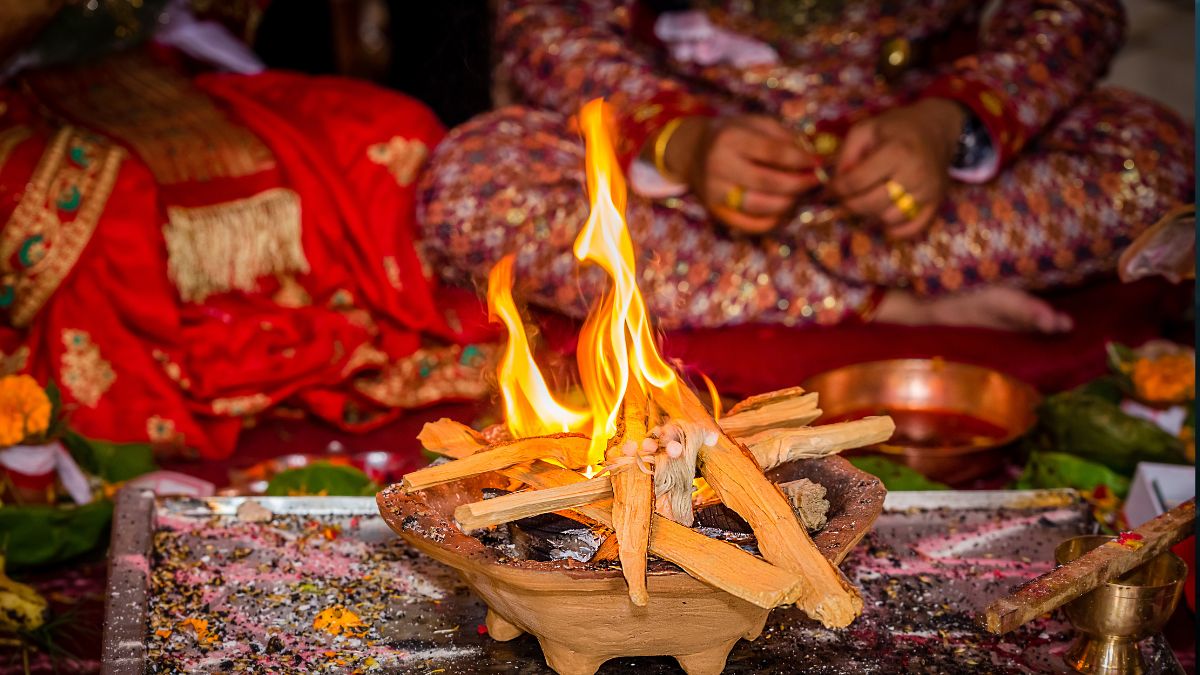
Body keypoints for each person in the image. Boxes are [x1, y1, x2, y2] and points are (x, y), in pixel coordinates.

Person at [418, 0, 1194, 333]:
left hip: (912, 155)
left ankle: (787, 277)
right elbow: (540, 22)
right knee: (471, 188)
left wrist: (949, 121)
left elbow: (1072, 15)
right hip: (685, 158)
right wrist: (679, 141)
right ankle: (889, 300)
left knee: (1153, 163)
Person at [0, 2, 495, 459]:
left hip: (160, 62)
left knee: (394, 129)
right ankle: (164, 378)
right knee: (114, 201)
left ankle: (322, 329)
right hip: (23, 84)